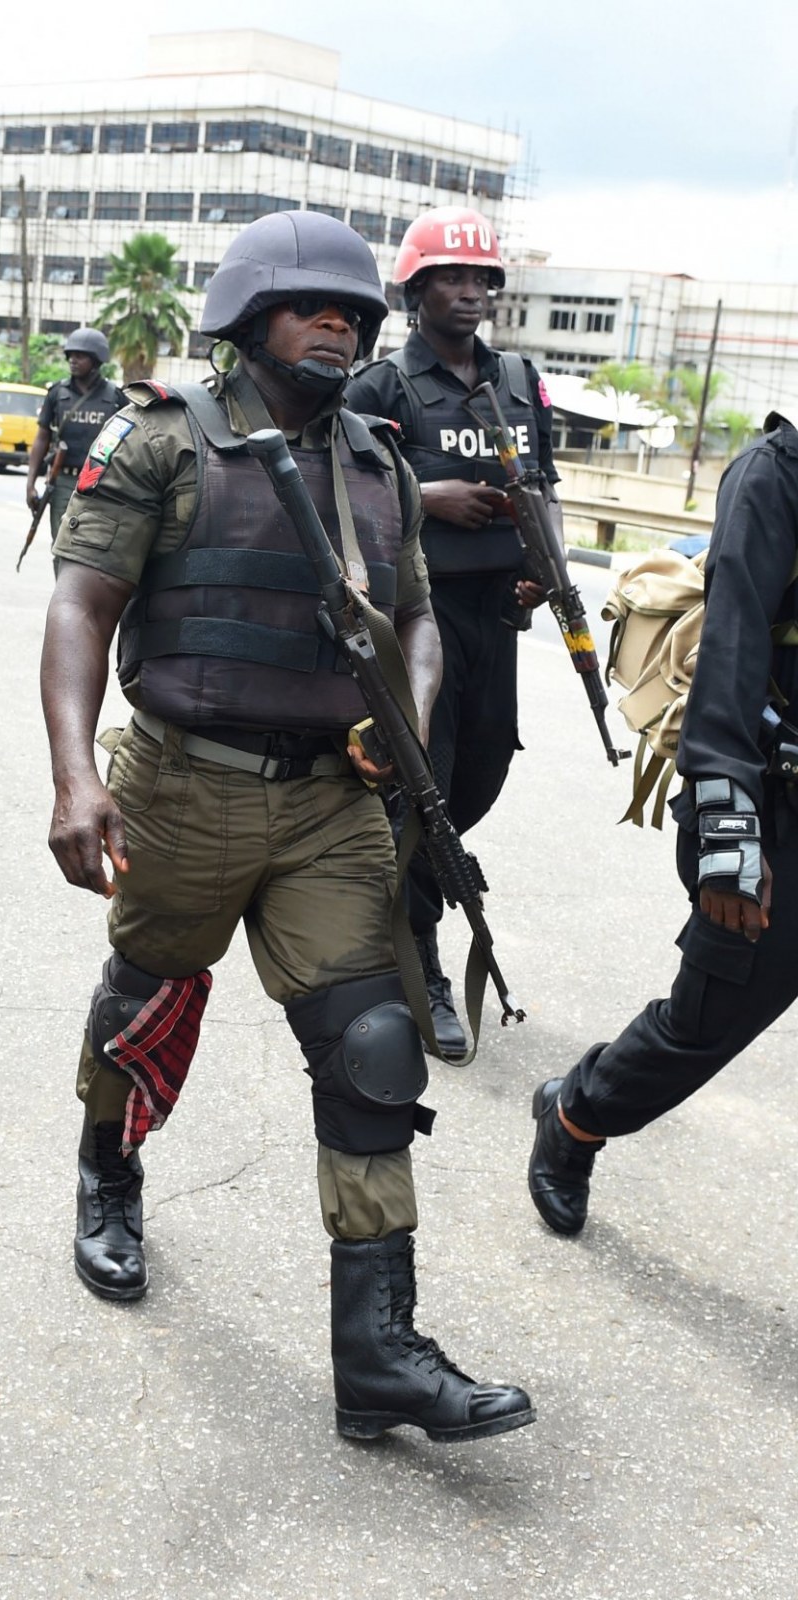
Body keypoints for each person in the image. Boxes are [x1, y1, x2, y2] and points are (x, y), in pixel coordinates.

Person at [43, 210, 534, 1443]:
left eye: (355, 312)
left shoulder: (375, 460)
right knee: (145, 998)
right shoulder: (162, 438)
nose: (339, 325)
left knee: (373, 1046)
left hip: (333, 800)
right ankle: (110, 1173)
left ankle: (376, 1358)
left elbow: (416, 617)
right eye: (312, 306)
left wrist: (406, 721)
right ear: (246, 316)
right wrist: (71, 776)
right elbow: (79, 606)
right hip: (182, 783)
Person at [527, 409, 798, 1237]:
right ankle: (578, 1115)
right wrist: (729, 824)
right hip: (769, 793)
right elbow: (732, 647)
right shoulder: (775, 474)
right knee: (710, 1019)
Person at [343, 209, 556, 1061]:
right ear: (417, 290)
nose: (470, 292)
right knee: (425, 784)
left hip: (497, 612)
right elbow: (341, 487)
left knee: (480, 773)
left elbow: (542, 479)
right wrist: (430, 499)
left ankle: (394, 893)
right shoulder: (383, 387)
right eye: (452, 278)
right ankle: (416, 956)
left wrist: (551, 566)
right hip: (416, 615)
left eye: (483, 279)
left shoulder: (516, 377)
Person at [26, 327, 125, 545]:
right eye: (70, 355)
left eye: (80, 356)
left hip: (101, 483)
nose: (73, 360)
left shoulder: (115, 397)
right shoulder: (57, 393)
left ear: (96, 360)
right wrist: (30, 483)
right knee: (60, 544)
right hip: (63, 480)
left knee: (93, 545)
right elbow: (42, 438)